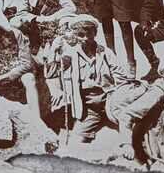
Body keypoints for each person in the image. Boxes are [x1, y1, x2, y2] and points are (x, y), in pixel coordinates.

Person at [40, 14, 134, 143]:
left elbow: (121, 76)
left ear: (95, 33)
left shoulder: (105, 52)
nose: (85, 38)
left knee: (128, 123)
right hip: (89, 107)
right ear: (75, 35)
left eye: (89, 34)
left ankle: (127, 144)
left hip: (110, 99)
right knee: (77, 139)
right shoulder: (71, 55)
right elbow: (51, 73)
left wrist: (121, 96)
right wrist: (54, 52)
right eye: (80, 35)